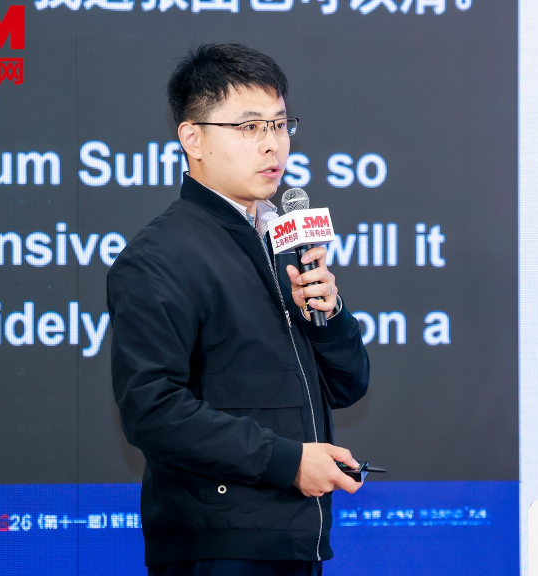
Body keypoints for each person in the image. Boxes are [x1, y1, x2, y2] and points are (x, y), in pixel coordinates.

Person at [106, 43, 370, 576]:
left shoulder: (282, 244)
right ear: (193, 139)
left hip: (294, 541)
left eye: (280, 125)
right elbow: (151, 410)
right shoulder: (159, 256)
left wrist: (330, 314)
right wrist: (288, 462)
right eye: (249, 127)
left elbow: (348, 386)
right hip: (218, 547)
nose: (273, 144)